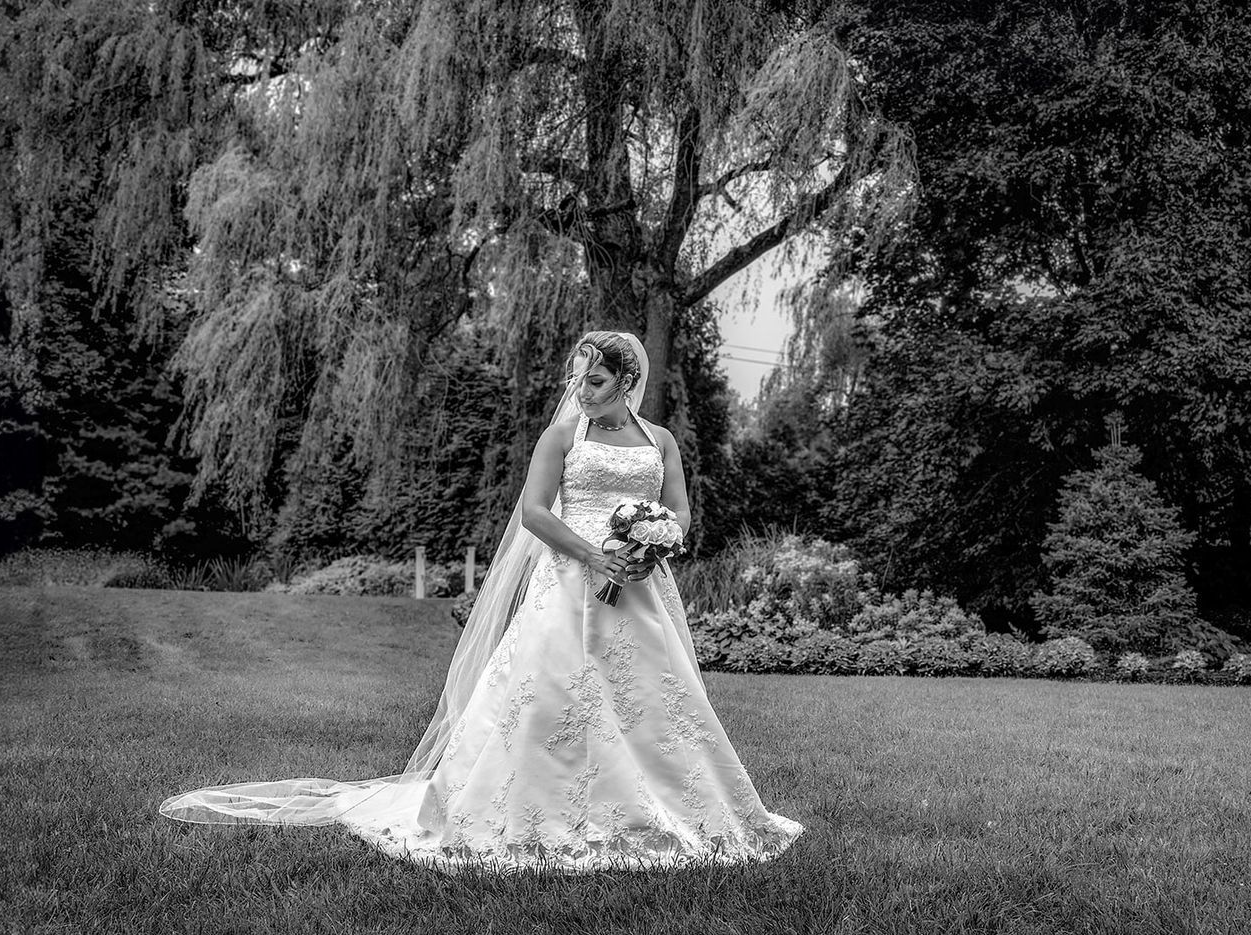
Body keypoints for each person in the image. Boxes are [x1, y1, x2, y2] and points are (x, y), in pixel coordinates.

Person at [158, 329, 805, 874]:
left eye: (598, 381)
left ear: (627, 376)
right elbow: (532, 511)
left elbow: (683, 510)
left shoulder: (660, 440)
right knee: (553, 696)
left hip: (641, 588)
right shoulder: (563, 439)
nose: (584, 390)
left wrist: (657, 543)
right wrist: (593, 553)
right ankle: (537, 809)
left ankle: (677, 808)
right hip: (572, 583)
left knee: (658, 701)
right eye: (579, 379)